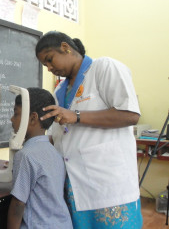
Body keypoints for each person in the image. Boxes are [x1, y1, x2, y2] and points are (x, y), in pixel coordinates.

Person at [36, 31, 143, 228]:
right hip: (77, 187)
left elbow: (130, 114)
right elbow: (59, 134)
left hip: (109, 184)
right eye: (45, 65)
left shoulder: (103, 68)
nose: (50, 68)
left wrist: (76, 116)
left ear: (65, 47)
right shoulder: (60, 91)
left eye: (50, 60)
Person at [7, 87, 73, 229]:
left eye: (15, 113)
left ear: (32, 118)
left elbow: (18, 204)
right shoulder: (54, 152)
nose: (12, 119)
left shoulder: (26, 155)